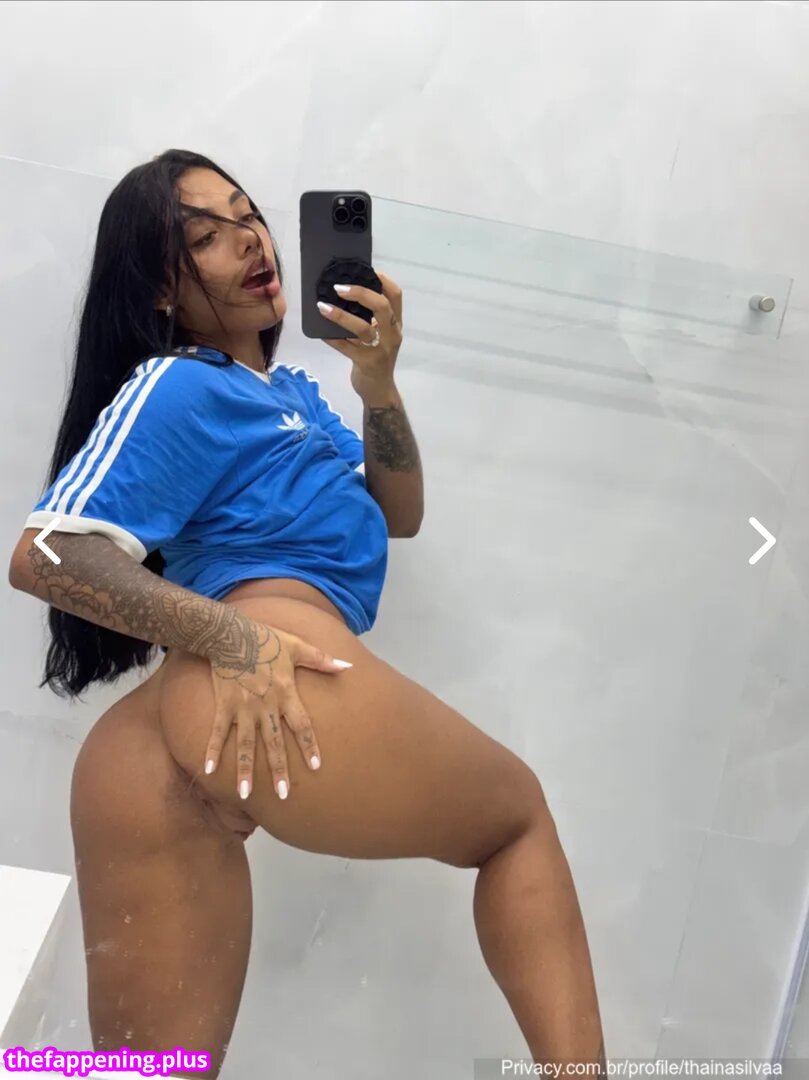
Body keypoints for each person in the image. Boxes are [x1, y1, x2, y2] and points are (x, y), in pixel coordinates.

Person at [8, 149, 606, 1079]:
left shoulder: (290, 399)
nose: (249, 240)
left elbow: (398, 514)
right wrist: (236, 639)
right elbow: (44, 554)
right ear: (160, 288)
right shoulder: (180, 383)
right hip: (260, 665)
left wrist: (377, 384)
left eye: (248, 215)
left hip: (159, 737)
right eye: (205, 236)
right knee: (515, 821)